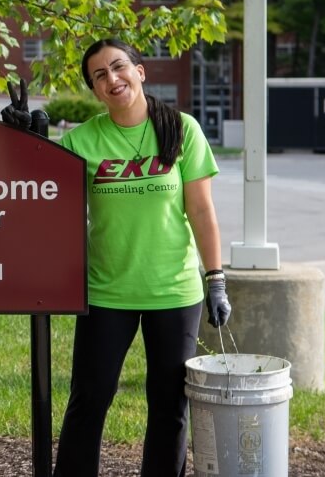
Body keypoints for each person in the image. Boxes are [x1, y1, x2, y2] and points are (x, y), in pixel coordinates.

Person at [50, 38, 232, 477]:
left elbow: (201, 210)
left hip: (173, 291)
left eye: (118, 67)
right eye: (99, 75)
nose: (112, 79)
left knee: (169, 406)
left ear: (140, 70)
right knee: (89, 399)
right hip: (107, 291)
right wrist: (31, 136)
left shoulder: (181, 129)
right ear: (94, 90)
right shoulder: (82, 141)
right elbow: (39, 189)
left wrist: (216, 279)